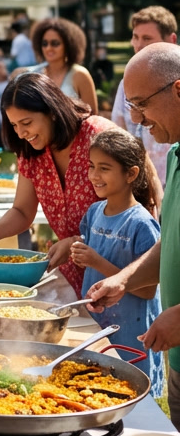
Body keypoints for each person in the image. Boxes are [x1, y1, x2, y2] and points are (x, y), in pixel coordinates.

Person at [87, 43, 180, 428]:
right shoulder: (175, 155)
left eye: (142, 104)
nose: (138, 119)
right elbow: (171, 241)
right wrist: (124, 279)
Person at [0, 73, 116, 297]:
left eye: (26, 123)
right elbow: (22, 210)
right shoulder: (30, 152)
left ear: (53, 112)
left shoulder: (98, 136)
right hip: (71, 274)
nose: (21, 133)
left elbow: (129, 213)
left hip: (115, 271)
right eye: (14, 125)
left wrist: (77, 242)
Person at [71, 126, 163, 397]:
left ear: (131, 174)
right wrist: (79, 253)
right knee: (97, 393)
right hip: (97, 328)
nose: (94, 176)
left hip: (131, 335)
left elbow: (147, 289)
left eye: (104, 168)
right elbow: (92, 251)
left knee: (132, 396)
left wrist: (97, 262)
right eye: (91, 166)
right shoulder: (94, 211)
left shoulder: (142, 224)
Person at [112, 6, 176, 203]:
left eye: (147, 38)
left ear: (171, 40)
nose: (139, 45)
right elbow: (120, 133)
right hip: (145, 192)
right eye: (135, 37)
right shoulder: (127, 83)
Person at [16, 16, 98, 113]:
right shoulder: (34, 74)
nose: (48, 48)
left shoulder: (80, 74)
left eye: (55, 43)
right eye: (44, 43)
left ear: (68, 45)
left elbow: (93, 116)